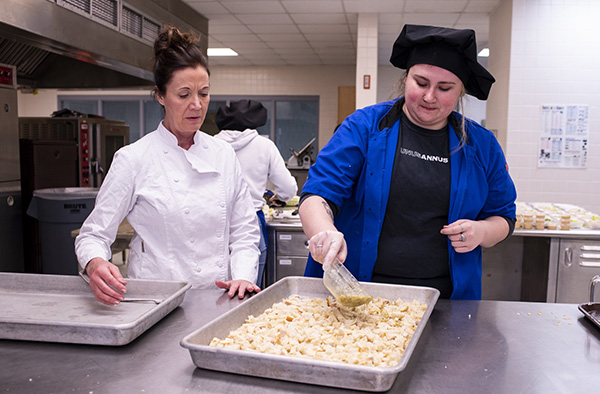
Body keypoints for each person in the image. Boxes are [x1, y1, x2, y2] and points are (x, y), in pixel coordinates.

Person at [299, 24, 517, 300]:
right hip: (354, 293)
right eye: (421, 83)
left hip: (445, 301)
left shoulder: (482, 145)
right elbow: (317, 194)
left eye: (445, 88)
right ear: (405, 79)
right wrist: (325, 232)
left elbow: (505, 217)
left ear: (461, 91)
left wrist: (482, 231)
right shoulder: (365, 127)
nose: (429, 96)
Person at [75, 26, 261, 306]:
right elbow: (93, 234)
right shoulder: (134, 158)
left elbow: (245, 232)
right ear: (160, 96)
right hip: (154, 301)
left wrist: (244, 277)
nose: (197, 105)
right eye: (184, 95)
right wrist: (95, 263)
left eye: (204, 93)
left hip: (218, 300)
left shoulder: (223, 154)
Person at [215, 99, 298, 287]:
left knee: (213, 288)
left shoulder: (210, 144)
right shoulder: (264, 145)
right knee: (247, 287)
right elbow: (288, 189)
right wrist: (281, 197)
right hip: (251, 220)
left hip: (214, 221)